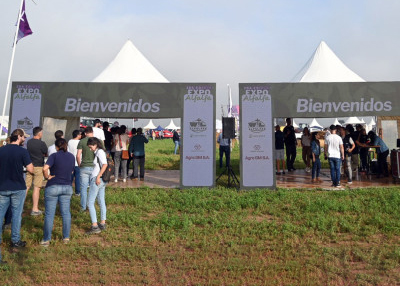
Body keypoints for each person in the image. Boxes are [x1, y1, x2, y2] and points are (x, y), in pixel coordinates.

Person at [0, 129, 33, 264]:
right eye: (23, 137)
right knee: (17, 215)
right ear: (18, 137)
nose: (24, 139)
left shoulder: (1, 150)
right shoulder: (22, 152)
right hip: (17, 187)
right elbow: (30, 169)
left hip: (2, 187)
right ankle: (15, 240)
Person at [40, 138, 75, 247]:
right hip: (67, 186)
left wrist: (47, 177)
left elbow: (45, 168)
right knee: (66, 213)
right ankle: (66, 237)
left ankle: (46, 239)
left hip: (53, 185)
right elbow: (72, 170)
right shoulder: (71, 156)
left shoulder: (54, 156)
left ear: (56, 146)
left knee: (50, 214)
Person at [86, 137, 108, 234]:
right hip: (101, 180)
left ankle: (95, 226)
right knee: (101, 201)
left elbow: (105, 164)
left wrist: (98, 176)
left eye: (91, 147)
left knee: (90, 203)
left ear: (95, 145)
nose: (90, 149)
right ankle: (102, 223)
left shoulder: (100, 152)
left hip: (97, 180)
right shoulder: (99, 152)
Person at [26, 126, 48, 216]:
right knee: (37, 188)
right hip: (38, 166)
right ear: (39, 133)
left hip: (30, 165)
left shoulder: (29, 142)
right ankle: (35, 209)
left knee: (26, 186)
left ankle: (19, 206)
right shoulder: (42, 143)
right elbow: (46, 153)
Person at [76, 127, 94, 212]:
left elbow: (78, 155)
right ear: (92, 132)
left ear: (85, 133)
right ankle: (91, 206)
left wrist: (80, 165)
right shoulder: (98, 141)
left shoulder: (82, 141)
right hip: (94, 167)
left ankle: (83, 207)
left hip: (84, 167)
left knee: (83, 188)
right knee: (93, 187)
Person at [68, 130, 82, 196]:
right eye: (80, 134)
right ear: (78, 135)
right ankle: (77, 192)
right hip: (78, 162)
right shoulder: (80, 142)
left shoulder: (69, 141)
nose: (81, 135)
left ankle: (69, 191)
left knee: (70, 178)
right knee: (77, 178)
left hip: (70, 162)